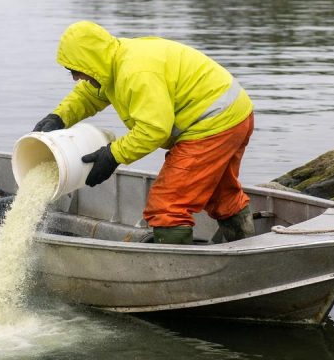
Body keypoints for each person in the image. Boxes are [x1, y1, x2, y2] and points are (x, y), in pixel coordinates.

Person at [33, 21, 254, 245]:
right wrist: (59, 117)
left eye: (75, 71)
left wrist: (112, 155)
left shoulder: (136, 72)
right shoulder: (112, 63)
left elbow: (154, 130)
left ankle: (175, 271)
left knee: (167, 205)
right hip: (234, 114)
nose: (75, 77)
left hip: (213, 124)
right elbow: (88, 95)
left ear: (90, 62)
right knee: (221, 193)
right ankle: (245, 250)